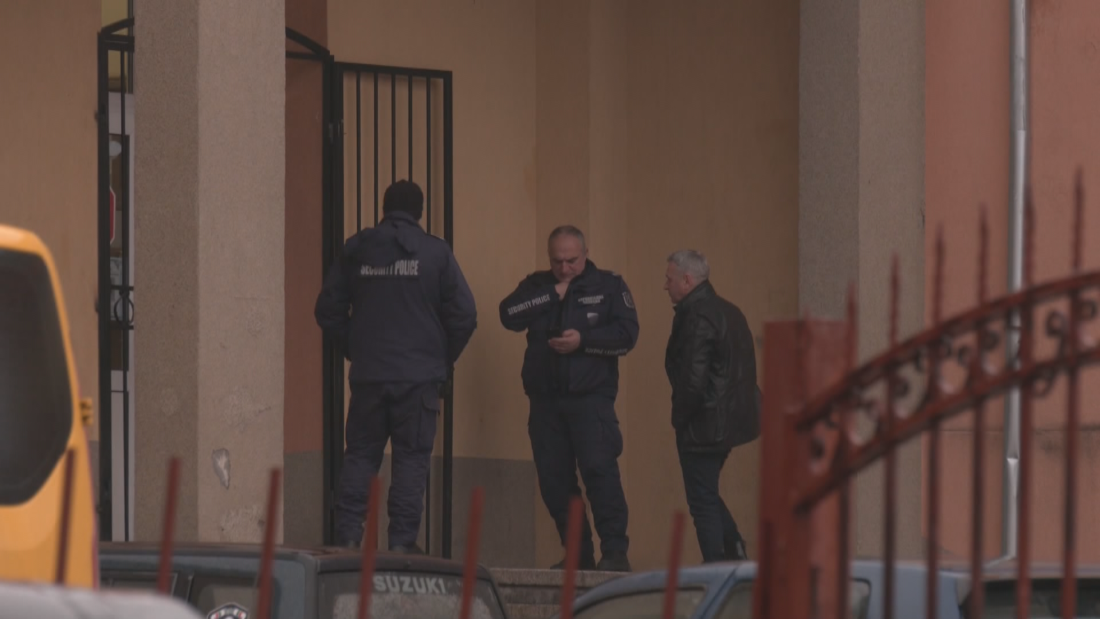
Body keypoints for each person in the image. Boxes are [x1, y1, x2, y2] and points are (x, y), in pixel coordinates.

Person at [315, 179, 477, 551]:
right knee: (411, 461)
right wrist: (440, 358)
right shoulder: (436, 253)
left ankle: (348, 537)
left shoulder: (359, 248)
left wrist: (356, 347)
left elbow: (327, 309)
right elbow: (465, 315)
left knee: (360, 456)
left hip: (370, 376)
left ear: (384, 208)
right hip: (418, 381)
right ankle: (401, 544)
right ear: (420, 211)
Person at [499, 225, 638, 572]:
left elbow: (627, 335)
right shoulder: (538, 285)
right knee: (555, 482)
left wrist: (583, 341)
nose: (564, 267)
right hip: (545, 402)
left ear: (586, 254)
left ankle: (615, 553)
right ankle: (578, 554)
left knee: (600, 473)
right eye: (557, 261)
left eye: (572, 260)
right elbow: (508, 314)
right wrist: (552, 294)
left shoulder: (609, 286)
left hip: (591, 400)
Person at [663, 249, 759, 563]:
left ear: (687, 280)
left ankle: (717, 565)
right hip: (729, 423)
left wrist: (680, 419)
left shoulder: (698, 317)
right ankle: (734, 550)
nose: (665, 285)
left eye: (669, 279)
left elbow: (693, 381)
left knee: (701, 500)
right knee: (705, 491)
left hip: (703, 425)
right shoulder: (729, 311)